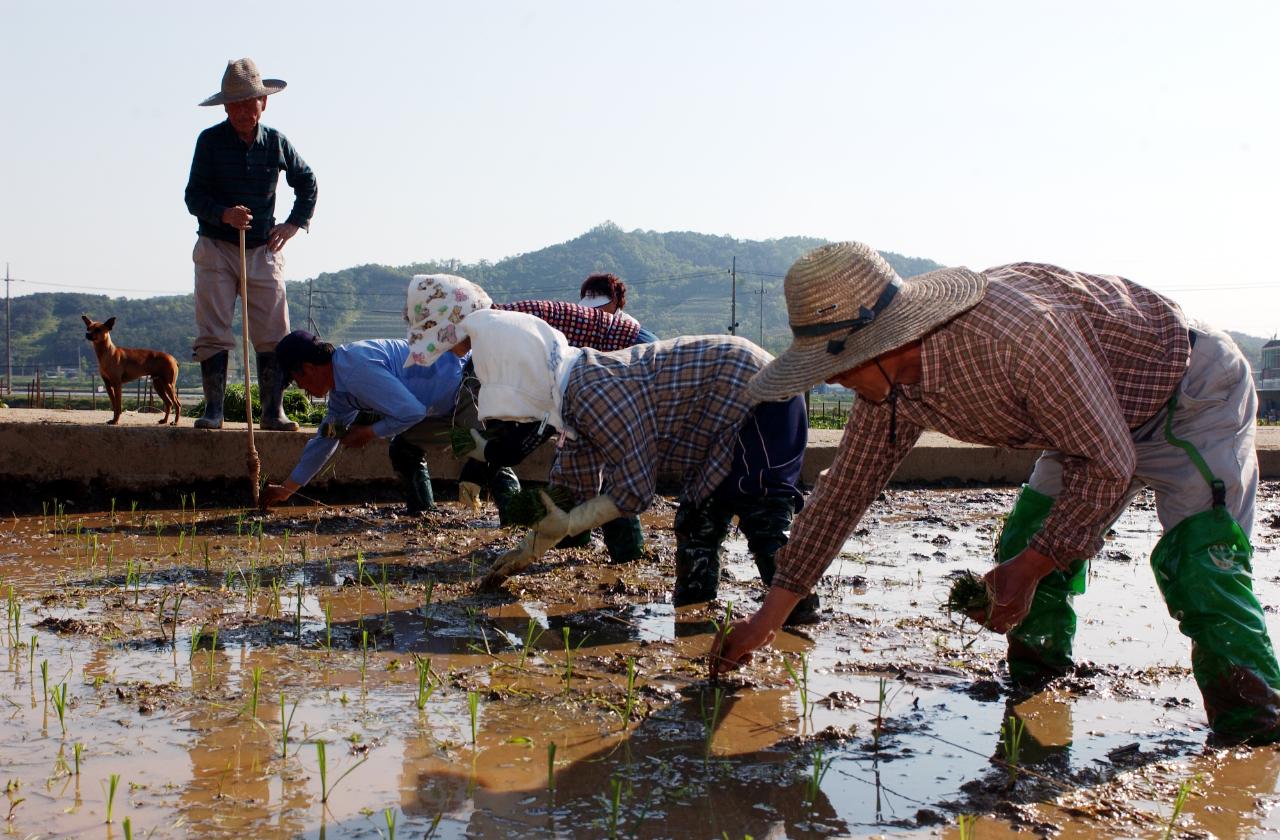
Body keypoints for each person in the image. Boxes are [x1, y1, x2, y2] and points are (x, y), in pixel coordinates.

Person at [712, 241, 1280, 744]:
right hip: (1087, 422)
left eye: (832, 364)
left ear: (881, 342)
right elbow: (843, 497)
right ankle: (1037, 677)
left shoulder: (1021, 338)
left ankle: (1253, 726)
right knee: (1027, 539)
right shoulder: (891, 389)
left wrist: (1032, 567)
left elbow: (1108, 461)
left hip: (1185, 394)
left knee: (1204, 564)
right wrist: (768, 618)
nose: (829, 380)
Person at [406, 276, 818, 615]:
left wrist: (571, 523)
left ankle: (801, 621)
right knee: (696, 523)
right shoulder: (569, 403)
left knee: (761, 515)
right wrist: (527, 550)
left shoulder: (592, 391)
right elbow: (571, 492)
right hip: (715, 414)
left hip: (756, 392)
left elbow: (636, 489)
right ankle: (695, 621)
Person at [184, 58, 318, 432]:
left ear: (263, 103)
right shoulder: (209, 142)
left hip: (263, 248)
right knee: (213, 329)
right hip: (216, 246)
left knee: (274, 332)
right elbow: (193, 197)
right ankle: (214, 410)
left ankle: (272, 412)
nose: (244, 110)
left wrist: (293, 224)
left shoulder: (275, 142)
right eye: (236, 104)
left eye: (250, 102)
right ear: (225, 107)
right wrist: (223, 214)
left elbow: (307, 182)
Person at [259, 327, 515, 515]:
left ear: (308, 368)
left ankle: (517, 517)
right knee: (404, 448)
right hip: (443, 405)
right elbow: (326, 438)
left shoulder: (356, 369)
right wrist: (287, 489)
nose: (302, 389)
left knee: (484, 451)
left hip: (468, 386)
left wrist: (369, 432)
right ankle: (424, 515)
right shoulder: (341, 392)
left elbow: (411, 412)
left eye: (297, 380)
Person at [579, 273, 659, 343]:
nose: (593, 311)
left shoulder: (631, 328)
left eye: (598, 306)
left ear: (614, 301)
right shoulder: (583, 327)